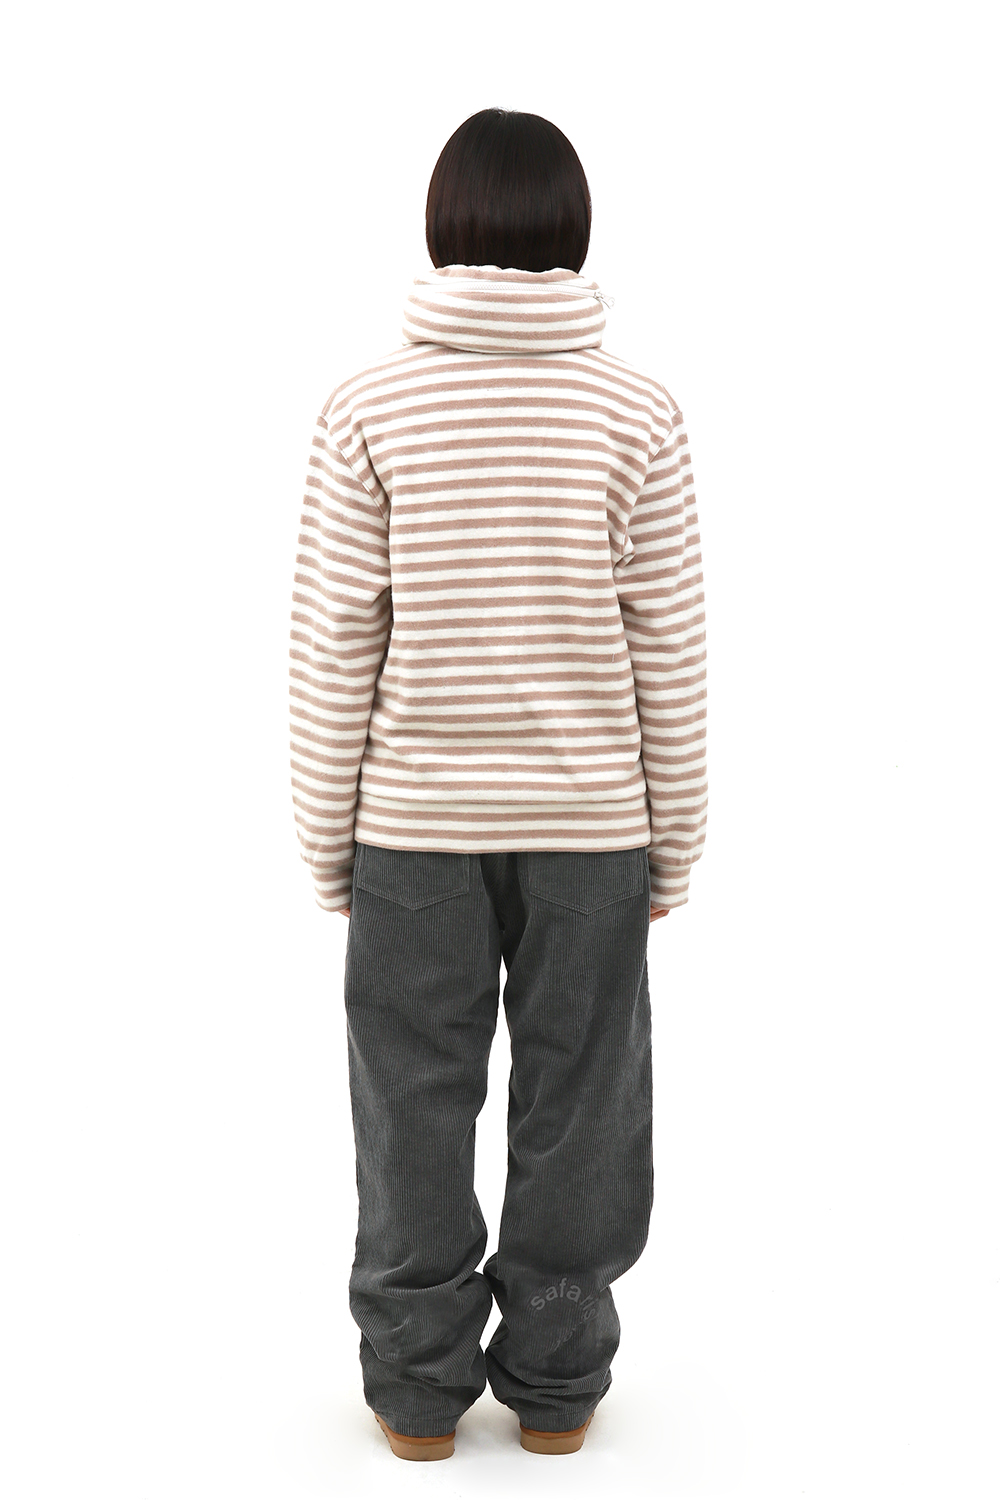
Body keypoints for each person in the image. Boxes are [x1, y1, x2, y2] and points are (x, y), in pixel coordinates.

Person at [289, 107, 708, 1461]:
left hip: (412, 824)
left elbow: (334, 639)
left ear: (442, 227)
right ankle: (559, 1388)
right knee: (585, 1100)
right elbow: (670, 642)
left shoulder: (368, 408)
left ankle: (416, 1396)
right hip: (594, 829)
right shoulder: (639, 412)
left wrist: (326, 840)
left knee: (411, 1100)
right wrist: (676, 840)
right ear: (573, 229)